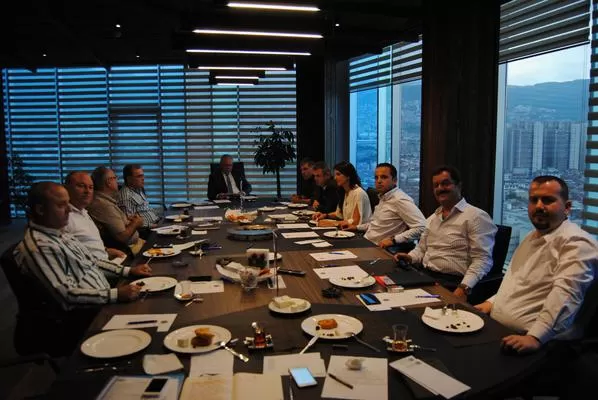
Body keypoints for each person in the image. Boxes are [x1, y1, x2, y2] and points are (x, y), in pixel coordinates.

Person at [474, 176, 598, 354]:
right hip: (499, 331)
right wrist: (491, 303)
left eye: (548, 200)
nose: (539, 206)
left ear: (567, 207)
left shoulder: (577, 243)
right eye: (534, 200)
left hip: (541, 346)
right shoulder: (533, 236)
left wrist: (536, 337)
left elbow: (566, 296)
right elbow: (516, 281)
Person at [13, 182, 152, 310]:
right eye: (61, 205)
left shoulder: (60, 233)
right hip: (89, 314)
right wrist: (116, 294)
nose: (69, 210)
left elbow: (92, 261)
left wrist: (128, 271)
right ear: (40, 210)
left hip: (105, 297)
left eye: (68, 203)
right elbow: (66, 295)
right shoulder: (40, 247)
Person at [393, 165, 497, 300]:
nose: (440, 188)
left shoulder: (476, 217)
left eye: (445, 184)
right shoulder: (433, 218)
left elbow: (482, 260)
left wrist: (464, 287)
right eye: (436, 185)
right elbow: (421, 249)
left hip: (452, 283)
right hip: (426, 277)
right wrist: (410, 257)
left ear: (459, 186)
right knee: (389, 294)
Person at [340, 163, 425, 248]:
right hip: (367, 242)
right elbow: (377, 225)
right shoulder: (383, 197)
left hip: (379, 249)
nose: (379, 181)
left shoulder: (400, 199)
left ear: (395, 180)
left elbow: (422, 227)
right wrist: (356, 227)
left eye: (384, 177)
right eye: (376, 177)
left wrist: (394, 240)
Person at [64, 171, 127, 261]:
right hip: (95, 267)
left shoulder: (83, 211)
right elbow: (78, 260)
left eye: (91, 187)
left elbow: (88, 244)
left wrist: (106, 250)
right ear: (66, 188)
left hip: (106, 261)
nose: (87, 191)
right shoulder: (64, 218)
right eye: (81, 186)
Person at [88, 166, 145, 255]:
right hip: (126, 251)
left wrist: (129, 221)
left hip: (134, 245)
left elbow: (117, 224)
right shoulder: (104, 205)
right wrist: (136, 223)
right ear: (108, 182)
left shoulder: (106, 201)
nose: (117, 181)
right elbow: (122, 237)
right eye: (115, 178)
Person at [313, 161, 372, 227]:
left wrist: (332, 223)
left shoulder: (359, 193)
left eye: (338, 174)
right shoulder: (344, 191)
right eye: (335, 175)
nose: (335, 178)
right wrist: (325, 215)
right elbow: (339, 214)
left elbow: (355, 221)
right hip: (346, 230)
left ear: (348, 176)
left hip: (359, 232)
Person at [117, 164, 160, 228]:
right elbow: (130, 223)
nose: (143, 178)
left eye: (143, 175)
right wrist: (153, 226)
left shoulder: (138, 188)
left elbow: (146, 209)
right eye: (139, 176)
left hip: (156, 221)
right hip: (148, 229)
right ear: (129, 179)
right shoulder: (126, 197)